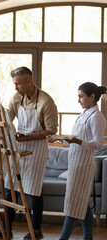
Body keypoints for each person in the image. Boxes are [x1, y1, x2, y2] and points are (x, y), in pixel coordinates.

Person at [0, 66, 58, 240]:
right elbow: (6, 120)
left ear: (29, 81)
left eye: (18, 84)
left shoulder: (46, 101)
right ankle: (6, 228)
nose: (15, 87)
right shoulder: (16, 98)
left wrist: (27, 137)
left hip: (36, 150)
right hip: (18, 147)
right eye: (14, 84)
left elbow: (51, 130)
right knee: (10, 189)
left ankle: (36, 229)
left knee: (34, 191)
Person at [59, 82, 106, 240]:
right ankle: (88, 238)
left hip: (84, 166)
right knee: (82, 202)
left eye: (81, 96)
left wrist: (78, 142)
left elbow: (98, 144)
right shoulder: (83, 114)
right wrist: (62, 139)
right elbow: (76, 139)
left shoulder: (97, 117)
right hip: (74, 164)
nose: (78, 100)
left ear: (92, 97)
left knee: (73, 205)